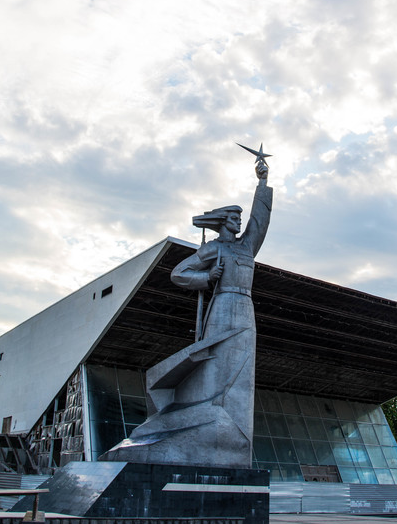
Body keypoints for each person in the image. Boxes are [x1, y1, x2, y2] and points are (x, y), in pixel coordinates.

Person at [104, 158, 272, 468]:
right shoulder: (213, 249)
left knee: (241, 368)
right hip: (221, 305)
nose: (239, 223)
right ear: (223, 222)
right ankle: (199, 410)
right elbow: (179, 274)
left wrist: (261, 184)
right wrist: (208, 278)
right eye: (234, 219)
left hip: (245, 308)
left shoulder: (246, 247)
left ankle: (228, 428)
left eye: (239, 218)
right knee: (215, 363)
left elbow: (260, 221)